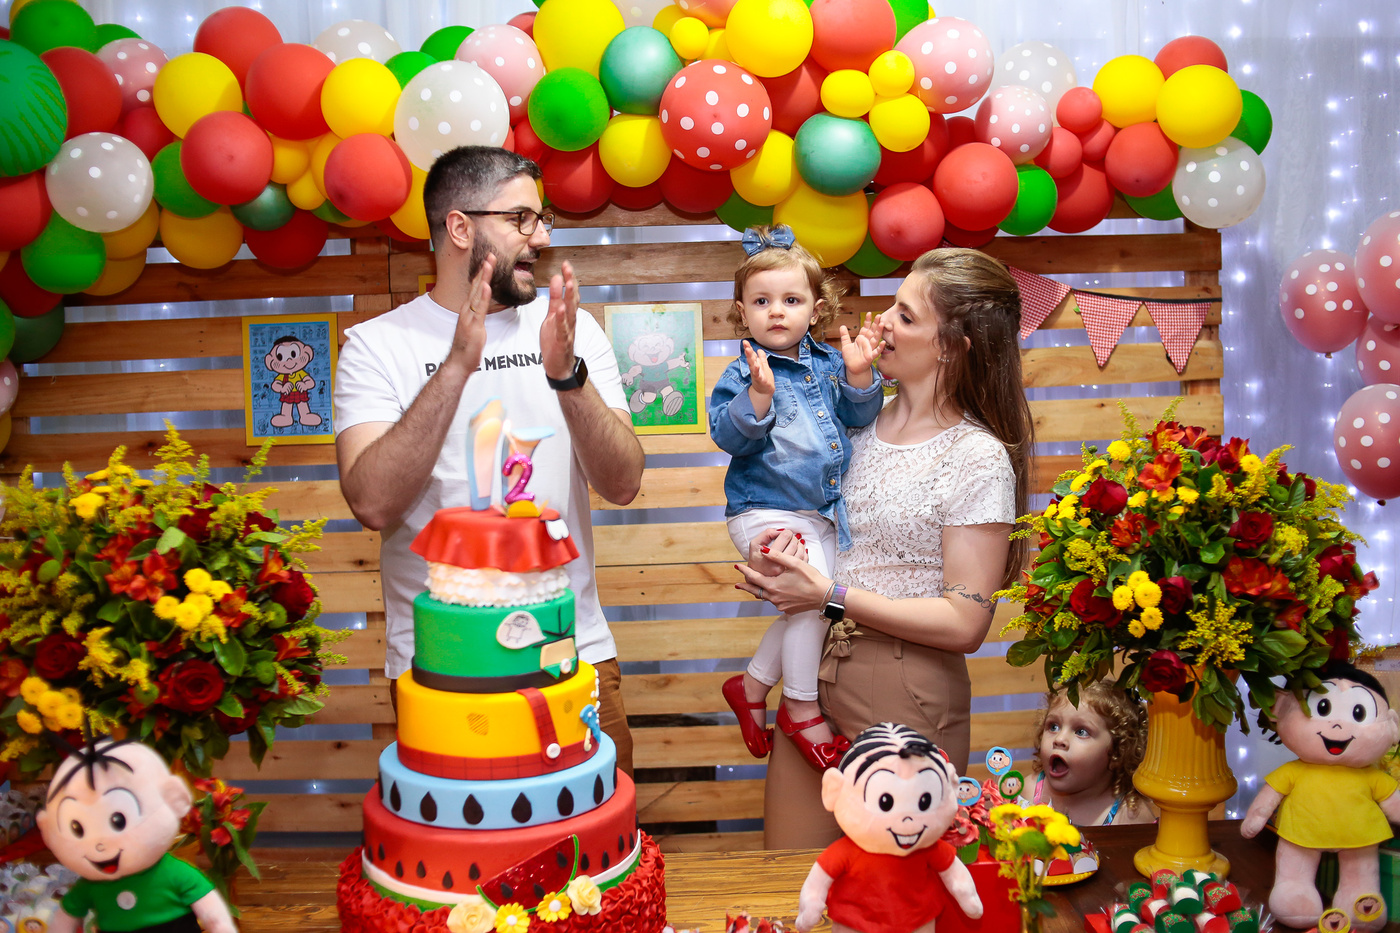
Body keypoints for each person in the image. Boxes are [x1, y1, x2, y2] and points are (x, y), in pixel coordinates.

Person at [333, 146, 645, 775]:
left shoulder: (574, 331)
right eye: (522, 219)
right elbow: (372, 503)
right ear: (459, 227)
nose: (542, 236)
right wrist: (456, 366)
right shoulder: (376, 347)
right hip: (442, 666)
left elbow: (622, 482)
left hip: (572, 652)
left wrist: (567, 377)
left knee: (597, 830)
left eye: (542, 219)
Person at [734, 248, 1035, 848]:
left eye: (906, 315)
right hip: (814, 674)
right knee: (790, 872)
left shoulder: (975, 456)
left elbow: (966, 623)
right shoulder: (853, 424)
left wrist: (828, 594)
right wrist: (782, 553)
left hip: (907, 684)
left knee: (894, 886)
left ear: (952, 347)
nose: (882, 323)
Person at [711, 225, 884, 772]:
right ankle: (802, 706)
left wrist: (859, 374)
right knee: (816, 600)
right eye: (762, 302)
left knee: (816, 606)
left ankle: (750, 685)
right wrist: (758, 397)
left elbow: (858, 417)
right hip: (763, 509)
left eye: (791, 300)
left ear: (816, 310)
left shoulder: (831, 364)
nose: (777, 312)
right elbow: (728, 437)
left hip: (821, 515)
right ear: (742, 312)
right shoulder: (742, 372)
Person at [1027, 680, 1152, 825]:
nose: (1059, 739)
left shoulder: (1130, 815)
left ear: (1118, 751)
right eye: (1053, 727)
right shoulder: (1029, 792)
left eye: (1081, 732)